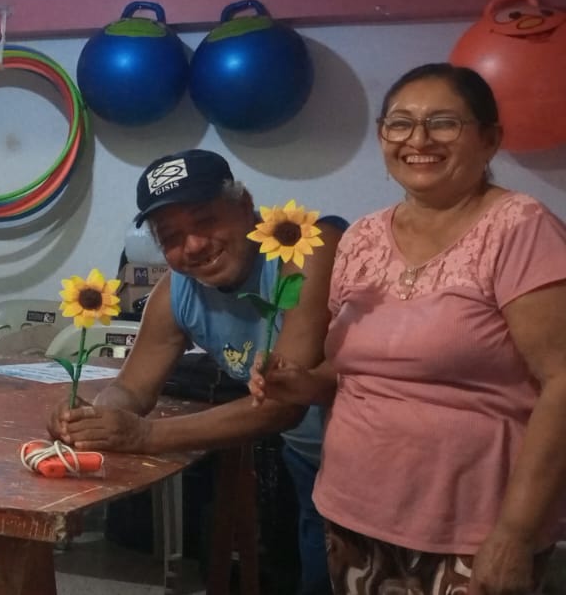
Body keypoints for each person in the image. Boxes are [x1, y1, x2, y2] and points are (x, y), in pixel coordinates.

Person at [255, 63, 566, 594]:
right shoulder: (361, 237)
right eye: (399, 123)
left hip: (473, 526)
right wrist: (302, 383)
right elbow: (352, 370)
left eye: (444, 123)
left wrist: (515, 533)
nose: (418, 140)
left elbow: (561, 380)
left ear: (489, 139)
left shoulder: (520, 228)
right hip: (354, 511)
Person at [47, 148, 343, 595]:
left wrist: (145, 436)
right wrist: (94, 419)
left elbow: (284, 405)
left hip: (380, 461)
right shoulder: (176, 293)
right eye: (171, 236)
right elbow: (132, 388)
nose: (193, 245)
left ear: (245, 206)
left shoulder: (304, 250)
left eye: (206, 221)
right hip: (310, 463)